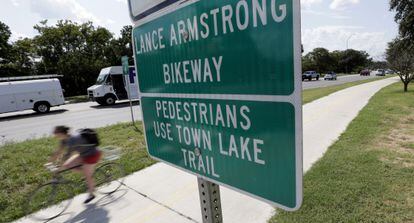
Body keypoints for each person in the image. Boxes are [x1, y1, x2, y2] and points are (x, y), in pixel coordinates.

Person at [49, 126, 101, 204]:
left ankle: (91, 194)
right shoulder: (63, 140)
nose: (54, 134)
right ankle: (88, 173)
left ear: (62, 133)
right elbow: (58, 152)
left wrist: (58, 168)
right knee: (67, 165)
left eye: (56, 132)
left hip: (92, 155)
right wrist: (50, 162)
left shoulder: (72, 140)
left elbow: (66, 156)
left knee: (88, 176)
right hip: (83, 154)